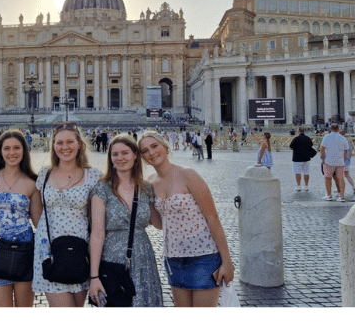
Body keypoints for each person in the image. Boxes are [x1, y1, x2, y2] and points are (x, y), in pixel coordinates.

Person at [139, 131, 234, 306]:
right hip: (173, 259)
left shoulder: (188, 175)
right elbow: (160, 225)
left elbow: (212, 218)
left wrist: (227, 262)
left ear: (165, 147)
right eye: (145, 151)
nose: (151, 153)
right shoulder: (149, 183)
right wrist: (147, 200)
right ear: (143, 158)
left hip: (204, 257)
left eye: (154, 146)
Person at [88, 135, 164, 307]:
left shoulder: (146, 188)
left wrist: (169, 193)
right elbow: (97, 233)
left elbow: (158, 223)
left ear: (135, 155)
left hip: (143, 259)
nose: (120, 158)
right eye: (115, 154)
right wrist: (94, 277)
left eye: (125, 153)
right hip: (112, 260)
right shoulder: (102, 188)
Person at [33, 123, 101, 307]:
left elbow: (98, 220)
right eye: (59, 142)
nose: (65, 147)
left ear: (80, 144)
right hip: (50, 251)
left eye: (70, 142)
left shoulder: (94, 176)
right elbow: (38, 213)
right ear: (53, 146)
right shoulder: (44, 174)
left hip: (79, 249)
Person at [0, 129, 40, 308]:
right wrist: (1, 223)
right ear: (0, 151)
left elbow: (38, 221)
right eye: (6, 148)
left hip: (25, 251)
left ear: (24, 150)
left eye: (16, 148)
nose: (12, 153)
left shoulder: (32, 182)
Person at [320, 122, 352, 201]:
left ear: (330, 129)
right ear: (338, 129)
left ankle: (329, 195)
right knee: (341, 178)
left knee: (328, 178)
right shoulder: (343, 138)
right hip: (340, 161)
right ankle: (342, 196)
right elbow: (346, 150)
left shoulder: (326, 137)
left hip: (329, 161)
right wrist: (343, 158)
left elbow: (322, 148)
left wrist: (322, 158)